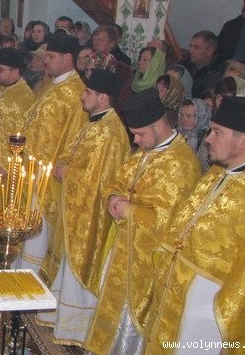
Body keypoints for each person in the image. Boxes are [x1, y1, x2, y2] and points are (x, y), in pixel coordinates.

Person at [143, 97, 245, 353]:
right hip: (176, 292)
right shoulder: (216, 172)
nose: (208, 138)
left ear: (244, 141)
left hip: (209, 308)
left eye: (217, 132)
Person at [86, 89, 201, 354]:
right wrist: (112, 196)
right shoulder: (145, 151)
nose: (135, 141)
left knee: (130, 324)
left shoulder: (181, 163)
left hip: (146, 263)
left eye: (139, 134)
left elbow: (169, 222)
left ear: (159, 126)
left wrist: (127, 209)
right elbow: (117, 181)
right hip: (122, 250)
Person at [39, 69, 130, 347]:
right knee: (66, 264)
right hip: (77, 208)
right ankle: (61, 317)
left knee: (78, 266)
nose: (82, 95)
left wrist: (67, 172)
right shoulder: (95, 123)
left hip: (92, 214)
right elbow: (74, 152)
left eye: (88, 92)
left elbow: (99, 179)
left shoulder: (110, 132)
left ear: (102, 97)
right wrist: (63, 163)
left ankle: (76, 329)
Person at [16, 34, 87, 283]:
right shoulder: (53, 84)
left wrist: (58, 165)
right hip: (30, 170)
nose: (46, 61)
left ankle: (31, 284)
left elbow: (77, 136)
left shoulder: (76, 92)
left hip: (46, 178)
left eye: (51, 56)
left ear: (68, 58)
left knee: (38, 233)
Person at [0, 48, 35, 161]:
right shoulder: (2, 88)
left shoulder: (25, 97)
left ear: (15, 72)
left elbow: (21, 135)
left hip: (5, 161)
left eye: (0, 70)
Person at [181, 30, 226, 98]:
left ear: (209, 51)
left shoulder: (218, 73)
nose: (191, 50)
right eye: (190, 46)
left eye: (196, 47)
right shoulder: (184, 63)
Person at [178, 98, 211, 172]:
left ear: (201, 116)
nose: (183, 120)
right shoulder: (177, 134)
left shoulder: (208, 139)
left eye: (188, 116)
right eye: (181, 115)